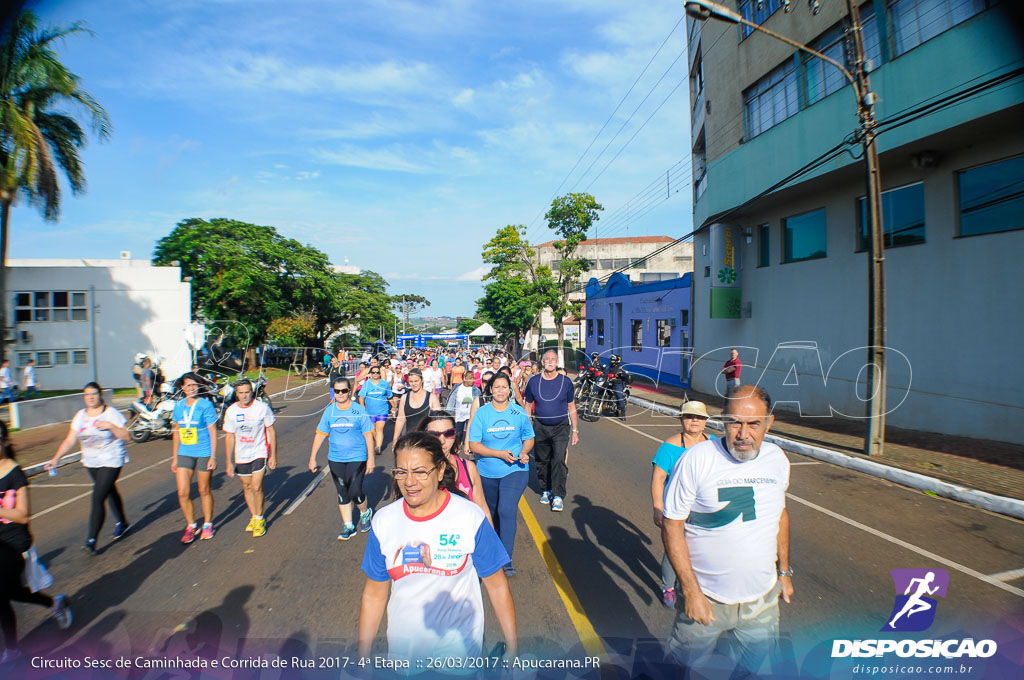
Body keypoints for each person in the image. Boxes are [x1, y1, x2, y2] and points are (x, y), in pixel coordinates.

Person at [662, 386, 792, 676]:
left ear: (768, 423)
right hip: (706, 597)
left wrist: (784, 572)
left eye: (754, 424)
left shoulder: (777, 460)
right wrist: (692, 591)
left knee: (749, 670)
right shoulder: (697, 459)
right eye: (735, 422)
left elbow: (780, 514)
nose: (743, 434)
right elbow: (672, 525)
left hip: (761, 602)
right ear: (723, 420)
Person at [357, 432, 517, 664]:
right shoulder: (384, 521)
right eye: (401, 472)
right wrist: (362, 656)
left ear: (440, 471)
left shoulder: (469, 516)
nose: (409, 482)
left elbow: (497, 586)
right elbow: (374, 594)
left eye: (421, 472)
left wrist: (512, 645)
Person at [0, 420, 71, 662]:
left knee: (3, 595)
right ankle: (54, 602)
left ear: (5, 441)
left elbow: (22, 514)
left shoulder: (15, 474)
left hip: (14, 543)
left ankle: (11, 648)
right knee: (12, 594)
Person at [44, 383, 131, 555]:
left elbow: (126, 436)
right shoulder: (80, 416)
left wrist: (111, 426)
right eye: (87, 394)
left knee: (98, 496)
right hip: (91, 461)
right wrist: (55, 459)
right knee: (109, 490)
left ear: (100, 395)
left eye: (94, 394)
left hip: (111, 458)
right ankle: (123, 523)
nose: (90, 397)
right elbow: (70, 440)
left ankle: (91, 540)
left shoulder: (111, 413)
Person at [468, 373, 535, 576]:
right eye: (496, 387)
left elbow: (529, 438)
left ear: (510, 390)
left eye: (504, 387)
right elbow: (474, 445)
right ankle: (494, 545)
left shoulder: (519, 412)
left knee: (506, 509)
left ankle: (506, 560)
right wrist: (497, 454)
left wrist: (523, 452)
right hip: (487, 471)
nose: (500, 390)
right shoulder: (482, 414)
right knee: (492, 512)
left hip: (515, 469)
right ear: (490, 390)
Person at [650, 401, 714, 608]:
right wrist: (658, 507)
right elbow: (658, 478)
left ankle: (696, 585)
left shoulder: (713, 444)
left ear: (705, 421)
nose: (695, 421)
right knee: (674, 548)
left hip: (705, 508)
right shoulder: (670, 446)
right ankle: (668, 587)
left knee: (702, 548)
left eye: (699, 417)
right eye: (689, 417)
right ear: (681, 419)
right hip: (676, 509)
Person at [310, 377, 375, 540]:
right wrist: (313, 457)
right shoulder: (329, 411)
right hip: (335, 458)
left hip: (357, 457)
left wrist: (371, 459)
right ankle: (348, 526)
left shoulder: (358, 410)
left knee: (355, 490)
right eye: (336, 391)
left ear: (349, 390)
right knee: (342, 492)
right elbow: (320, 435)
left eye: (344, 390)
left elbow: (368, 436)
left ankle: (364, 512)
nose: (340, 394)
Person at [524, 349, 579, 513]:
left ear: (557, 362)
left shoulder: (566, 382)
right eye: (546, 359)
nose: (549, 361)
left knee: (558, 459)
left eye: (553, 359)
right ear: (542, 362)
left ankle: (558, 495)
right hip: (540, 426)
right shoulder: (534, 382)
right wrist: (527, 426)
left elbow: (571, 406)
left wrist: (575, 430)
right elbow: (527, 406)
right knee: (542, 460)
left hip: (561, 427)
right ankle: (546, 489)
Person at [223, 379, 277, 538]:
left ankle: (260, 518)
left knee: (256, 486)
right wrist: (228, 461)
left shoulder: (262, 408)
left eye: (247, 392)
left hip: (259, 451)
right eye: (241, 393)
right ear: (236, 394)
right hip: (241, 455)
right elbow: (229, 437)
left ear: (252, 392)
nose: (244, 396)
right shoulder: (231, 411)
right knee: (246, 487)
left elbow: (271, 432)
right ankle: (254, 516)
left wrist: (273, 455)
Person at [171, 373, 219, 543]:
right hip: (185, 452)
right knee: (183, 492)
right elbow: (176, 432)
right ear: (182, 388)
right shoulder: (178, 406)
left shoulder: (206, 405)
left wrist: (213, 456)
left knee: (203, 489)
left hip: (204, 452)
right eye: (187, 385)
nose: (191, 388)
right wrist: (175, 457)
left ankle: (207, 524)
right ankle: (191, 525)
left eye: (194, 385)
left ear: (198, 386)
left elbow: (213, 431)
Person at [418, 412, 491, 523]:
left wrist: (490, 538)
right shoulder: (415, 470)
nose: (442, 440)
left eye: (448, 433)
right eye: (434, 434)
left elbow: (481, 508)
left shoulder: (469, 468)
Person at [391, 369, 440, 450]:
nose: (414, 384)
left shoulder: (432, 397)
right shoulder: (404, 397)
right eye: (411, 381)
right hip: (410, 442)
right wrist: (395, 440)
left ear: (422, 380)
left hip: (427, 442)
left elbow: (438, 421)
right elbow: (400, 420)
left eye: (416, 381)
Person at [358, 367, 393, 455]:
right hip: (370, 411)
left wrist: (394, 406)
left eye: (377, 372)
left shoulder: (385, 384)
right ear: (371, 374)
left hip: (382, 410)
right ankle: (377, 440)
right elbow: (361, 396)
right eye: (373, 372)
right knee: (373, 430)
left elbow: (390, 396)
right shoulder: (366, 384)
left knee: (379, 429)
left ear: (380, 374)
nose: (375, 374)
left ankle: (378, 446)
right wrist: (362, 406)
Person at [445, 369, 481, 447]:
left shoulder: (476, 390)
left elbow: (480, 403)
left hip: (471, 415)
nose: (473, 380)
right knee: (459, 432)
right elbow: (451, 400)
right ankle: (457, 445)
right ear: (465, 378)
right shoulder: (457, 388)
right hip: (459, 415)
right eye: (470, 378)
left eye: (473, 378)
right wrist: (448, 412)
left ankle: (469, 446)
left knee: (471, 431)